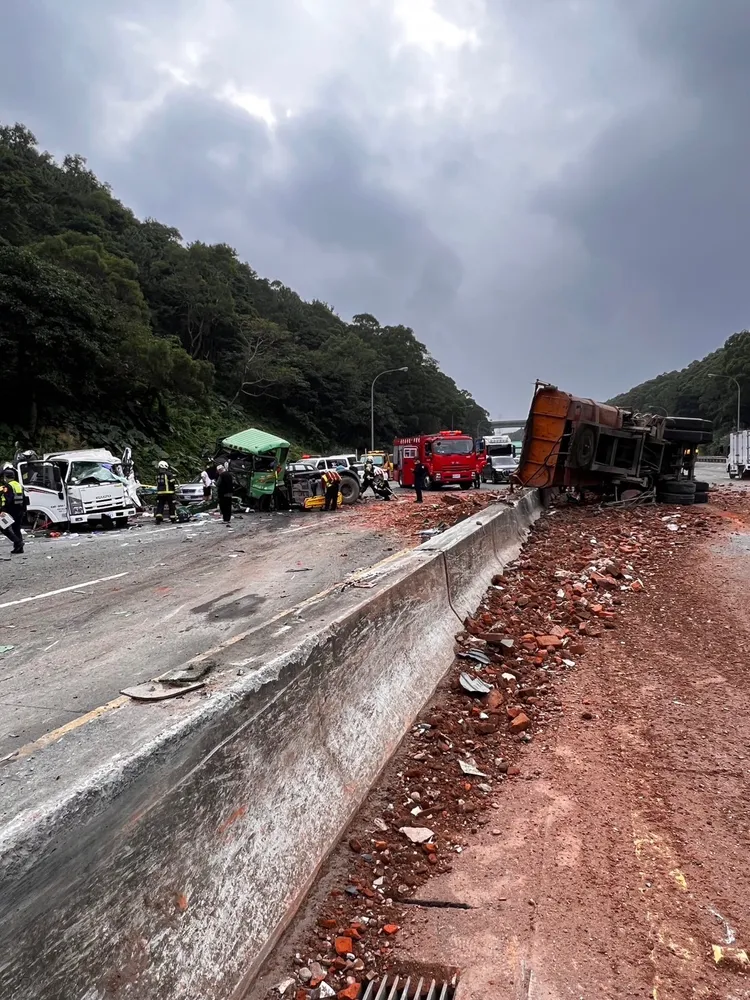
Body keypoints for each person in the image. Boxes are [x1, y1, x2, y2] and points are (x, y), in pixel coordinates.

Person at [0, 466, 25, 553]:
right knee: (16, 528)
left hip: (10, 511)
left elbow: (7, 499)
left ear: (6, 477)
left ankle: (18, 542)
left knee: (4, 528)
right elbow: (25, 498)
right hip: (20, 510)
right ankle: (19, 548)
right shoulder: (19, 485)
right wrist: (24, 510)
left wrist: (3, 510)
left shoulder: (8, 486)